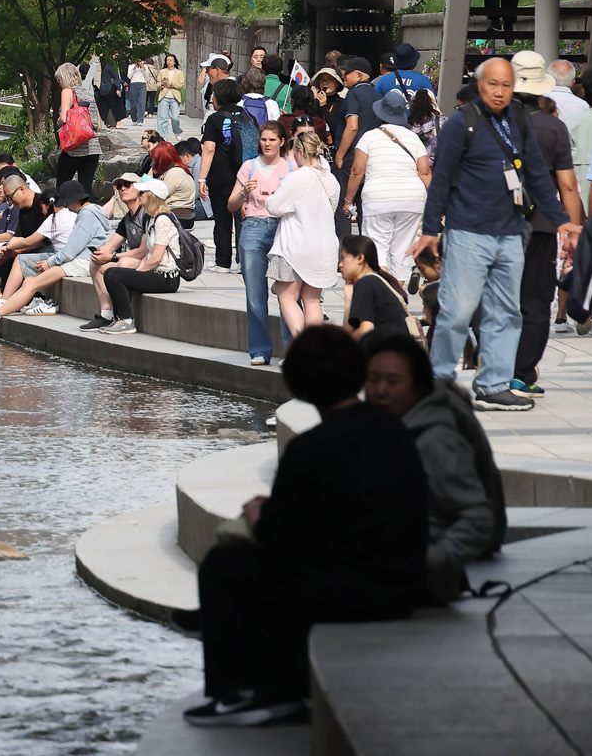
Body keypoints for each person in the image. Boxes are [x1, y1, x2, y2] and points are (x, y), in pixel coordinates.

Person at [177, 326, 425, 728]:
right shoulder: (392, 430)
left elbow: (276, 538)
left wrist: (258, 512)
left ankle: (242, 693)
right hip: (405, 582)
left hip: (356, 591)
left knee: (226, 565)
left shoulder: (310, 448)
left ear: (300, 386)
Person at [412, 57, 581, 411]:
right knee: (458, 311)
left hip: (511, 233)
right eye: (493, 84)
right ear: (479, 84)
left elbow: (536, 174)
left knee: (506, 312)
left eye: (507, 85)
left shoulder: (519, 120)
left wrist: (562, 220)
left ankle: (493, 384)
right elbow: (440, 178)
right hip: (468, 232)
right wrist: (430, 231)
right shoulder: (463, 122)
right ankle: (438, 382)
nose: (500, 91)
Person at [360, 334, 504, 604]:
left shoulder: (434, 439)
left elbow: (478, 517)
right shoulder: (397, 424)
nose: (380, 390)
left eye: (392, 381)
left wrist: (428, 561)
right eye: (373, 379)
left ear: (417, 387)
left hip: (415, 587)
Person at [510, 69, 586, 396]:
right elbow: (567, 183)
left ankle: (494, 363)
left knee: (500, 298)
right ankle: (523, 373)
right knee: (537, 300)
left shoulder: (494, 122)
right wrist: (572, 229)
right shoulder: (553, 127)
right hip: (540, 224)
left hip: (494, 224)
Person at [0, 179, 106, 326]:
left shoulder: (85, 215)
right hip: (79, 260)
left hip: (81, 262)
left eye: (67, 203)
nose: (66, 207)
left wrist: (50, 262)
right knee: (29, 281)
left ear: (75, 200)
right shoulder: (91, 211)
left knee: (31, 283)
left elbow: (69, 252)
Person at [343, 88, 431, 276]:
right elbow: (425, 172)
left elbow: (357, 172)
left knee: (377, 249)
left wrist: (348, 200)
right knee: (402, 250)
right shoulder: (413, 138)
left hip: (378, 198)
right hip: (412, 198)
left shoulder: (369, 137)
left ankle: (382, 292)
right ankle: (398, 294)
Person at [266, 128, 341, 338]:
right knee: (312, 299)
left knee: (287, 296)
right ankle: (315, 349)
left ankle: (302, 346)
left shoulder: (298, 177)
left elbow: (275, 206)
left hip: (296, 246)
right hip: (324, 246)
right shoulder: (331, 180)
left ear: (299, 152)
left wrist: (271, 195)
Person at [228, 121, 290, 365]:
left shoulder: (291, 166)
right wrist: (244, 192)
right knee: (255, 294)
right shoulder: (249, 166)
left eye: (272, 140)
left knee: (288, 292)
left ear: (282, 142)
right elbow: (231, 205)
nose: (267, 144)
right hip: (253, 227)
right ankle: (260, 350)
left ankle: (291, 349)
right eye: (264, 139)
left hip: (283, 229)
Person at [93, 178, 183, 335]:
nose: (139, 195)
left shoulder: (162, 220)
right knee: (112, 272)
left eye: (142, 193)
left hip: (167, 278)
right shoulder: (152, 219)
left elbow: (155, 258)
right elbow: (148, 255)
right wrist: (135, 274)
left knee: (114, 274)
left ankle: (125, 320)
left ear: (152, 196)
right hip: (156, 273)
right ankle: (119, 317)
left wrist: (137, 274)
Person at [81, 175, 150, 330]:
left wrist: (112, 256)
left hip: (151, 263)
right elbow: (111, 246)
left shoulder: (146, 214)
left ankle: (124, 317)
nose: (122, 189)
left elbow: (142, 252)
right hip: (136, 261)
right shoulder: (127, 219)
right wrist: (99, 254)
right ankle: (106, 314)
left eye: (127, 185)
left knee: (122, 263)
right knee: (96, 265)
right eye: (119, 187)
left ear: (139, 189)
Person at [200, 80, 253, 272]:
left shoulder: (214, 119)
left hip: (220, 175)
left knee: (222, 220)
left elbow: (209, 149)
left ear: (219, 97)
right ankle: (242, 261)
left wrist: (202, 178)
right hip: (244, 175)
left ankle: (223, 262)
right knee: (242, 219)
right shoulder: (248, 117)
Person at [339, 235, 413, 341]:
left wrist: (343, 349)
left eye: (344, 258)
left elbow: (366, 329)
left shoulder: (365, 283)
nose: (340, 265)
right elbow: (349, 331)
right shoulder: (376, 280)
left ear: (360, 258)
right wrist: (349, 299)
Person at [55, 61, 100, 192]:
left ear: (64, 78)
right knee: (85, 190)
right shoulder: (88, 94)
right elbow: (97, 126)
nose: (59, 82)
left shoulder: (67, 91)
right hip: (93, 148)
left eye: (59, 79)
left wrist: (58, 123)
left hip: (73, 147)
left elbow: (63, 118)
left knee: (62, 188)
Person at [154, 53, 186, 141]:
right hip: (164, 96)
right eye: (167, 60)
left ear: (175, 62)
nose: (169, 62)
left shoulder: (179, 73)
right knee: (162, 118)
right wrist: (163, 84)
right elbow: (157, 84)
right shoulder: (162, 72)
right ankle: (163, 136)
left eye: (171, 60)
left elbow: (180, 85)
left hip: (174, 97)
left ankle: (177, 132)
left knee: (175, 117)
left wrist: (172, 84)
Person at [125, 57, 152, 126]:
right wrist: (134, 68)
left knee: (141, 102)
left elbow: (147, 77)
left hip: (142, 84)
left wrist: (143, 69)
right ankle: (134, 119)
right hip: (134, 84)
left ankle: (140, 119)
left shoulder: (145, 66)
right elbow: (129, 76)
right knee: (133, 103)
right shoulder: (130, 66)